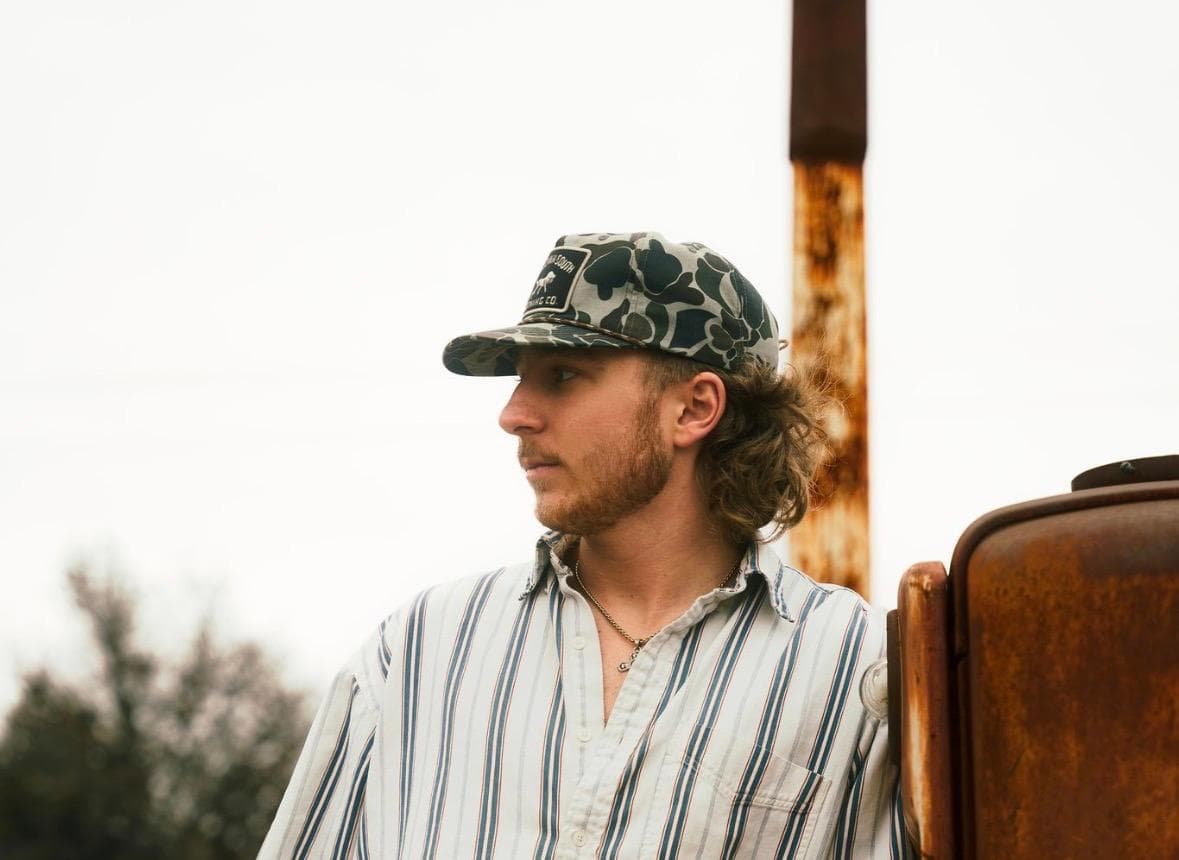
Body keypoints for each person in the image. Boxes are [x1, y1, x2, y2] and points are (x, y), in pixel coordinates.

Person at [260, 232, 908, 859]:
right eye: (521, 379)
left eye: (563, 375)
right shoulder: (418, 651)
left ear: (693, 409)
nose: (513, 415)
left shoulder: (857, 670)